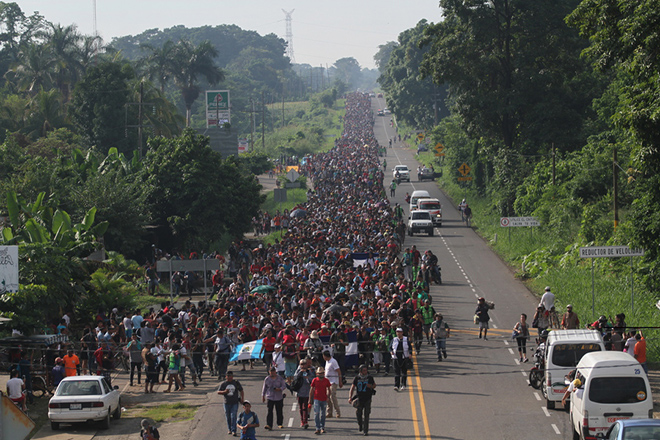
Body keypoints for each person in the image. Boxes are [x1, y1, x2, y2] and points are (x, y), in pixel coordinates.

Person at [348, 364, 376, 436]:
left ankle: (365, 430)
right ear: (360, 371)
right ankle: (360, 424)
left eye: (366, 370)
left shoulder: (370, 377)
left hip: (367, 398)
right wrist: (350, 397)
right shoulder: (357, 378)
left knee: (367, 415)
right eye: (364, 370)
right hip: (359, 398)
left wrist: (371, 386)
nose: (365, 372)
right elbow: (352, 387)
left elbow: (374, 385)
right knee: (359, 414)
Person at [218, 371, 245, 436]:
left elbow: (241, 390)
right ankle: (229, 429)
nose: (229, 378)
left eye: (231, 376)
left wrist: (242, 399)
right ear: (226, 377)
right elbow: (218, 392)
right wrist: (224, 392)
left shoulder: (236, 383)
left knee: (234, 416)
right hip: (226, 402)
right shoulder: (224, 384)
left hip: (234, 402)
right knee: (228, 416)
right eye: (228, 376)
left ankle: (234, 430)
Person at [309, 367, 331, 434]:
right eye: (319, 373)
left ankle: (322, 427)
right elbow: (311, 390)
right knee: (316, 413)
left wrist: (328, 397)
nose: (321, 375)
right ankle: (317, 427)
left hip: (324, 398)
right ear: (317, 374)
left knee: (323, 414)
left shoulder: (326, 380)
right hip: (316, 398)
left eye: (322, 373)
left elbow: (329, 389)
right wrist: (310, 399)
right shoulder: (315, 380)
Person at [293, 358, 315, 429]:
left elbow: (312, 380)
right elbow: (295, 378)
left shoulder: (309, 371)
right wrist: (300, 373)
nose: (302, 366)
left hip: (307, 392)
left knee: (305, 407)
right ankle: (302, 420)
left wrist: (307, 377)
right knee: (300, 408)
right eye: (301, 364)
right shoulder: (298, 370)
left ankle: (305, 422)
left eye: (304, 364)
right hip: (299, 392)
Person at [323, 350, 342, 418]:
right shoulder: (327, 362)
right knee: (327, 397)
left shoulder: (333, 361)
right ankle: (329, 412)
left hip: (333, 382)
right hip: (327, 382)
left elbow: (339, 371)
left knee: (332, 397)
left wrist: (340, 381)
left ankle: (338, 412)